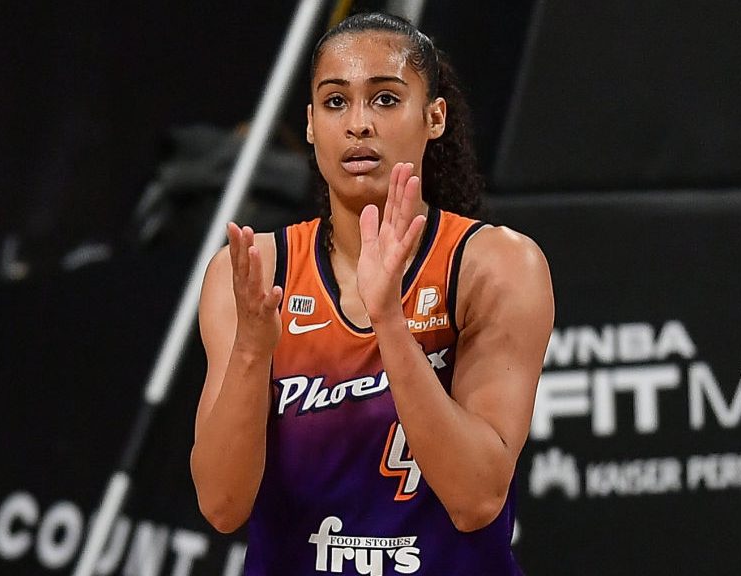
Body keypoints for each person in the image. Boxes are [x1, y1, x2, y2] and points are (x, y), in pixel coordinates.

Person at [190, 12, 553, 575]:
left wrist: (390, 323)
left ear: (434, 117)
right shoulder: (257, 271)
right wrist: (252, 352)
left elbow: (477, 499)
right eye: (336, 102)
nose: (359, 124)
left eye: (385, 100)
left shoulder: (497, 265)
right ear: (310, 125)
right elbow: (221, 506)